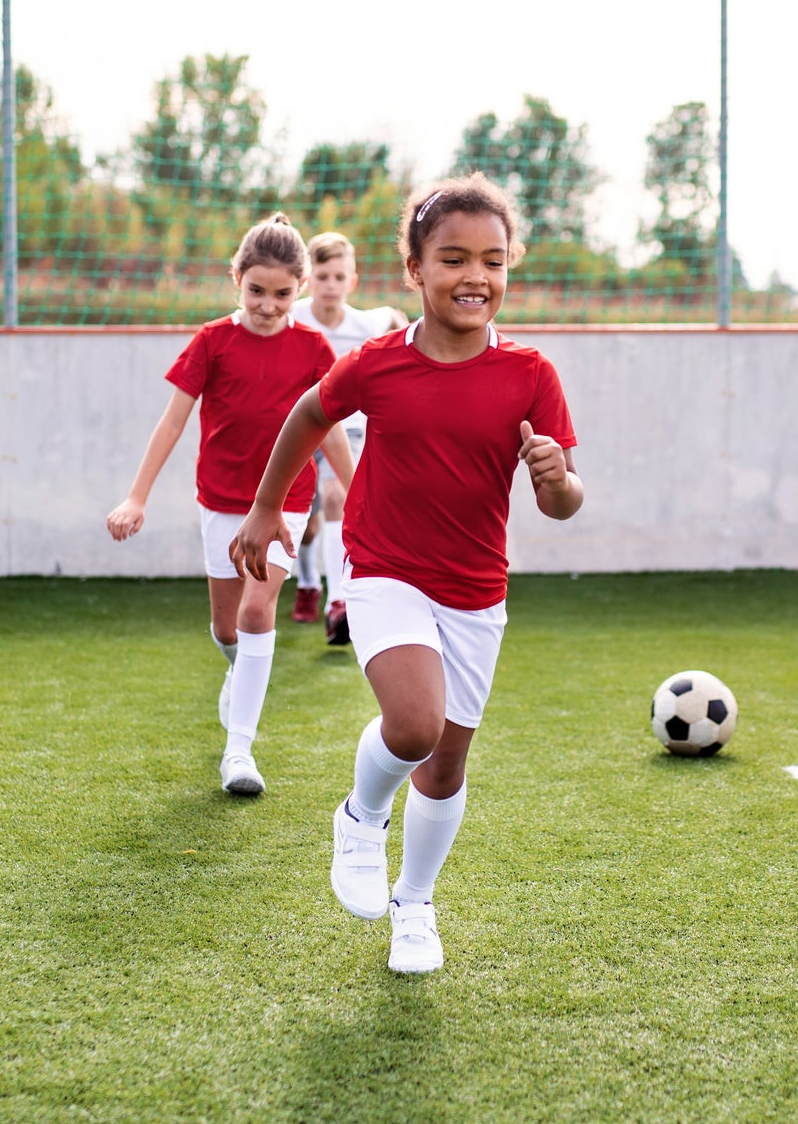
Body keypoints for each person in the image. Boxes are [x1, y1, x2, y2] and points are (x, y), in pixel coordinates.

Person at [232, 174, 583, 974]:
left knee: (448, 762)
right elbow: (307, 416)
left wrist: (555, 479)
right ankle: (360, 816)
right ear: (414, 271)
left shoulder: (530, 374)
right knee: (415, 726)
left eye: (493, 261)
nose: (475, 277)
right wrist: (262, 510)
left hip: (475, 590)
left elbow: (564, 503)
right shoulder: (377, 363)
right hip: (385, 569)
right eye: (453, 258)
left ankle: (414, 906)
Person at [106, 213, 354, 797]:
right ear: (235, 279)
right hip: (220, 502)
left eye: (283, 294)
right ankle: (236, 667)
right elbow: (172, 422)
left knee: (255, 612)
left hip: (287, 504)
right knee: (226, 628)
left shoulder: (315, 349)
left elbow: (334, 432)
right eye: (256, 291)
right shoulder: (212, 341)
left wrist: (363, 492)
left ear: (300, 288)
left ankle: (239, 749)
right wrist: (136, 496)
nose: (269, 305)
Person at [286, 232, 409, 643]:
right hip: (301, 427)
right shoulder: (293, 318)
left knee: (339, 496)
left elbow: (394, 319)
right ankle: (307, 583)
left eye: (340, 277)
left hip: (348, 429)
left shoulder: (365, 323)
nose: (331, 285)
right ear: (308, 280)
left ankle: (338, 605)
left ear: (351, 282)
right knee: (306, 526)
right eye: (322, 276)